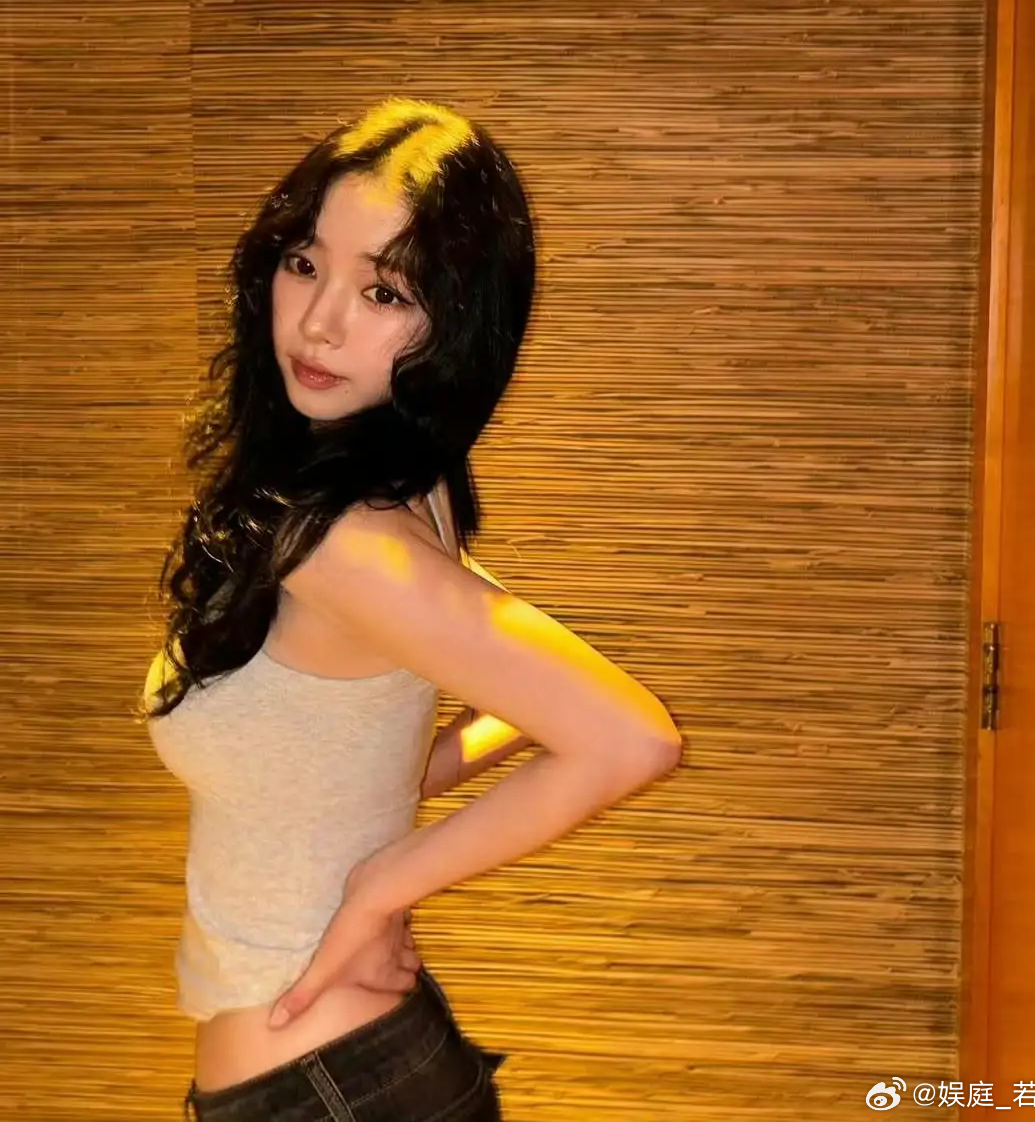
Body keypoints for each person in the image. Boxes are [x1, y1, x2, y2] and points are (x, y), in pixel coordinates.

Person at [136, 95, 684, 1121]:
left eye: (383, 289)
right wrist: (408, 777)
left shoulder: (346, 542)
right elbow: (440, 694)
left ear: (455, 322)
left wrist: (383, 885)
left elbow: (631, 737)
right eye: (306, 262)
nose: (321, 320)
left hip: (324, 1088)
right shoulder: (396, 483)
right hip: (346, 1070)